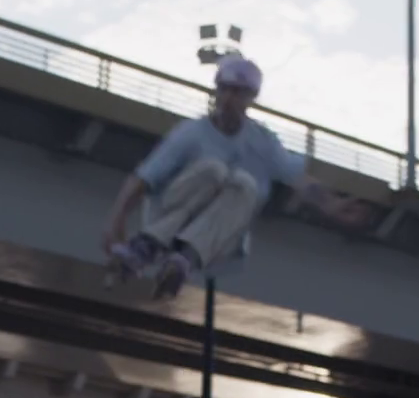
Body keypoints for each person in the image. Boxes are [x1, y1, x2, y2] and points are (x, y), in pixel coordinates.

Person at [101, 55, 374, 299]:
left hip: (215, 233)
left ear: (250, 98)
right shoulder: (191, 133)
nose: (229, 99)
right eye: (225, 90)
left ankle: (184, 259)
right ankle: (146, 246)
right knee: (214, 170)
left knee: (246, 184)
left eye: (238, 93)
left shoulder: (262, 141)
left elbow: (298, 179)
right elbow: (144, 178)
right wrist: (117, 219)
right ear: (217, 91)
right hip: (170, 210)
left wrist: (332, 205)